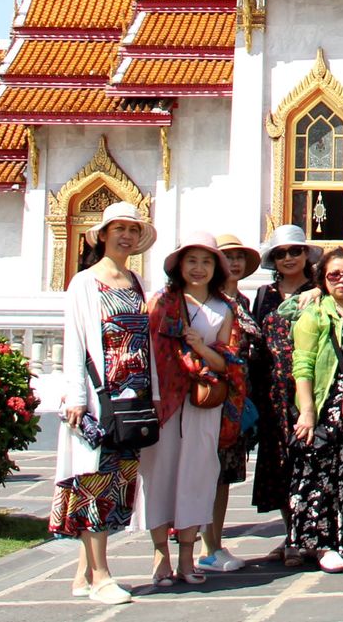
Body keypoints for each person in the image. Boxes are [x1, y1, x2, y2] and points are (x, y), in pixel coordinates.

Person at [53, 201, 154, 606]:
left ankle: (82, 572)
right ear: (104, 235)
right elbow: (75, 341)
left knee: (119, 482)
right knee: (95, 480)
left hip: (133, 399)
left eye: (132, 230)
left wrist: (154, 394)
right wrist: (76, 395)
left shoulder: (133, 281)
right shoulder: (85, 282)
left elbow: (145, 342)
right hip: (99, 400)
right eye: (119, 229)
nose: (126, 236)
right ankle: (101, 575)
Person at [142, 230, 248, 586]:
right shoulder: (161, 303)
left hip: (204, 402)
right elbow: (150, 355)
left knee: (197, 478)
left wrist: (199, 349)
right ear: (179, 265)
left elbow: (229, 364)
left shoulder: (223, 309)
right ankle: (160, 555)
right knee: (160, 476)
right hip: (165, 403)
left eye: (206, 261)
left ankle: (188, 557)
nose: (198, 268)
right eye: (192, 260)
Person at [286, 246, 343, 573]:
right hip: (327, 404)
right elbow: (303, 363)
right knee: (320, 474)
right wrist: (307, 410)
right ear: (322, 280)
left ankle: (339, 539)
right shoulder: (316, 312)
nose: (341, 279)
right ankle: (320, 544)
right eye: (333, 274)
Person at [250, 225, 319, 560]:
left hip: (308, 391)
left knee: (311, 464)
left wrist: (320, 293)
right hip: (272, 393)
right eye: (281, 253)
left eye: (295, 251)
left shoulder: (319, 291)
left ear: (306, 254)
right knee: (280, 466)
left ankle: (310, 536)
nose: (289, 258)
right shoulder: (265, 295)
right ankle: (292, 533)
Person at [196, 234, 262, 574]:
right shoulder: (206, 301)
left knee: (223, 476)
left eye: (239, 257)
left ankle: (214, 542)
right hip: (210, 396)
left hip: (236, 401)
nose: (234, 263)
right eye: (227, 257)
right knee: (203, 472)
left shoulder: (244, 302)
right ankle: (199, 545)